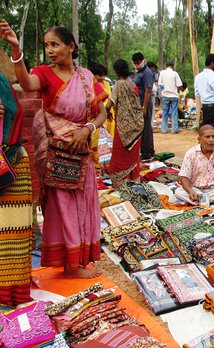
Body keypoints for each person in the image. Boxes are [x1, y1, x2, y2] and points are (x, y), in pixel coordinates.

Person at [0, 22, 108, 278]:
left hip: (81, 150)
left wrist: (87, 129)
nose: (50, 50)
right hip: (56, 152)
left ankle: (80, 260)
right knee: (63, 207)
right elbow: (26, 84)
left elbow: (102, 112)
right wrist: (16, 49)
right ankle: (70, 266)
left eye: (55, 44)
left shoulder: (86, 77)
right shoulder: (44, 73)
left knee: (84, 204)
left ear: (71, 47)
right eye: (46, 45)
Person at [0, 72, 33, 305]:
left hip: (13, 163)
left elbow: (15, 115)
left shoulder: (1, 80)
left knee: (16, 232)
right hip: (10, 161)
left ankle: (14, 293)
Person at [175, 124, 214, 205]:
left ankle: (203, 200)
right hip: (197, 189)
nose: (211, 140)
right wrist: (190, 191)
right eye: (207, 137)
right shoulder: (191, 153)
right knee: (179, 192)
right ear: (199, 139)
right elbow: (184, 176)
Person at [105, 59, 144, 188]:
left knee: (120, 154)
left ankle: (121, 182)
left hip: (123, 127)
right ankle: (134, 181)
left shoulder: (119, 85)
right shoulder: (132, 85)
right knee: (133, 155)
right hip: (137, 125)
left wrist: (106, 111)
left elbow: (109, 104)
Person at [132, 52, 155, 160]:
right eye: (135, 63)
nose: (137, 65)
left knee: (145, 127)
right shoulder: (139, 72)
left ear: (143, 61)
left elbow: (148, 90)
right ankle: (149, 150)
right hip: (139, 102)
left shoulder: (147, 72)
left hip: (144, 102)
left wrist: (144, 107)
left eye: (138, 63)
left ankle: (146, 152)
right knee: (143, 127)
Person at [195, 53, 214, 135]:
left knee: (205, 132)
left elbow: (197, 94)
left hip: (205, 107)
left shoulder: (198, 77)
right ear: (212, 63)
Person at [158, 60, 183, 134]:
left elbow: (160, 84)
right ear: (173, 65)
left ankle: (164, 129)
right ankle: (174, 129)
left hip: (165, 95)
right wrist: (176, 90)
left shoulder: (162, 73)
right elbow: (179, 85)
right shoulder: (175, 73)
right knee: (174, 112)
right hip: (174, 95)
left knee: (165, 112)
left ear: (166, 65)